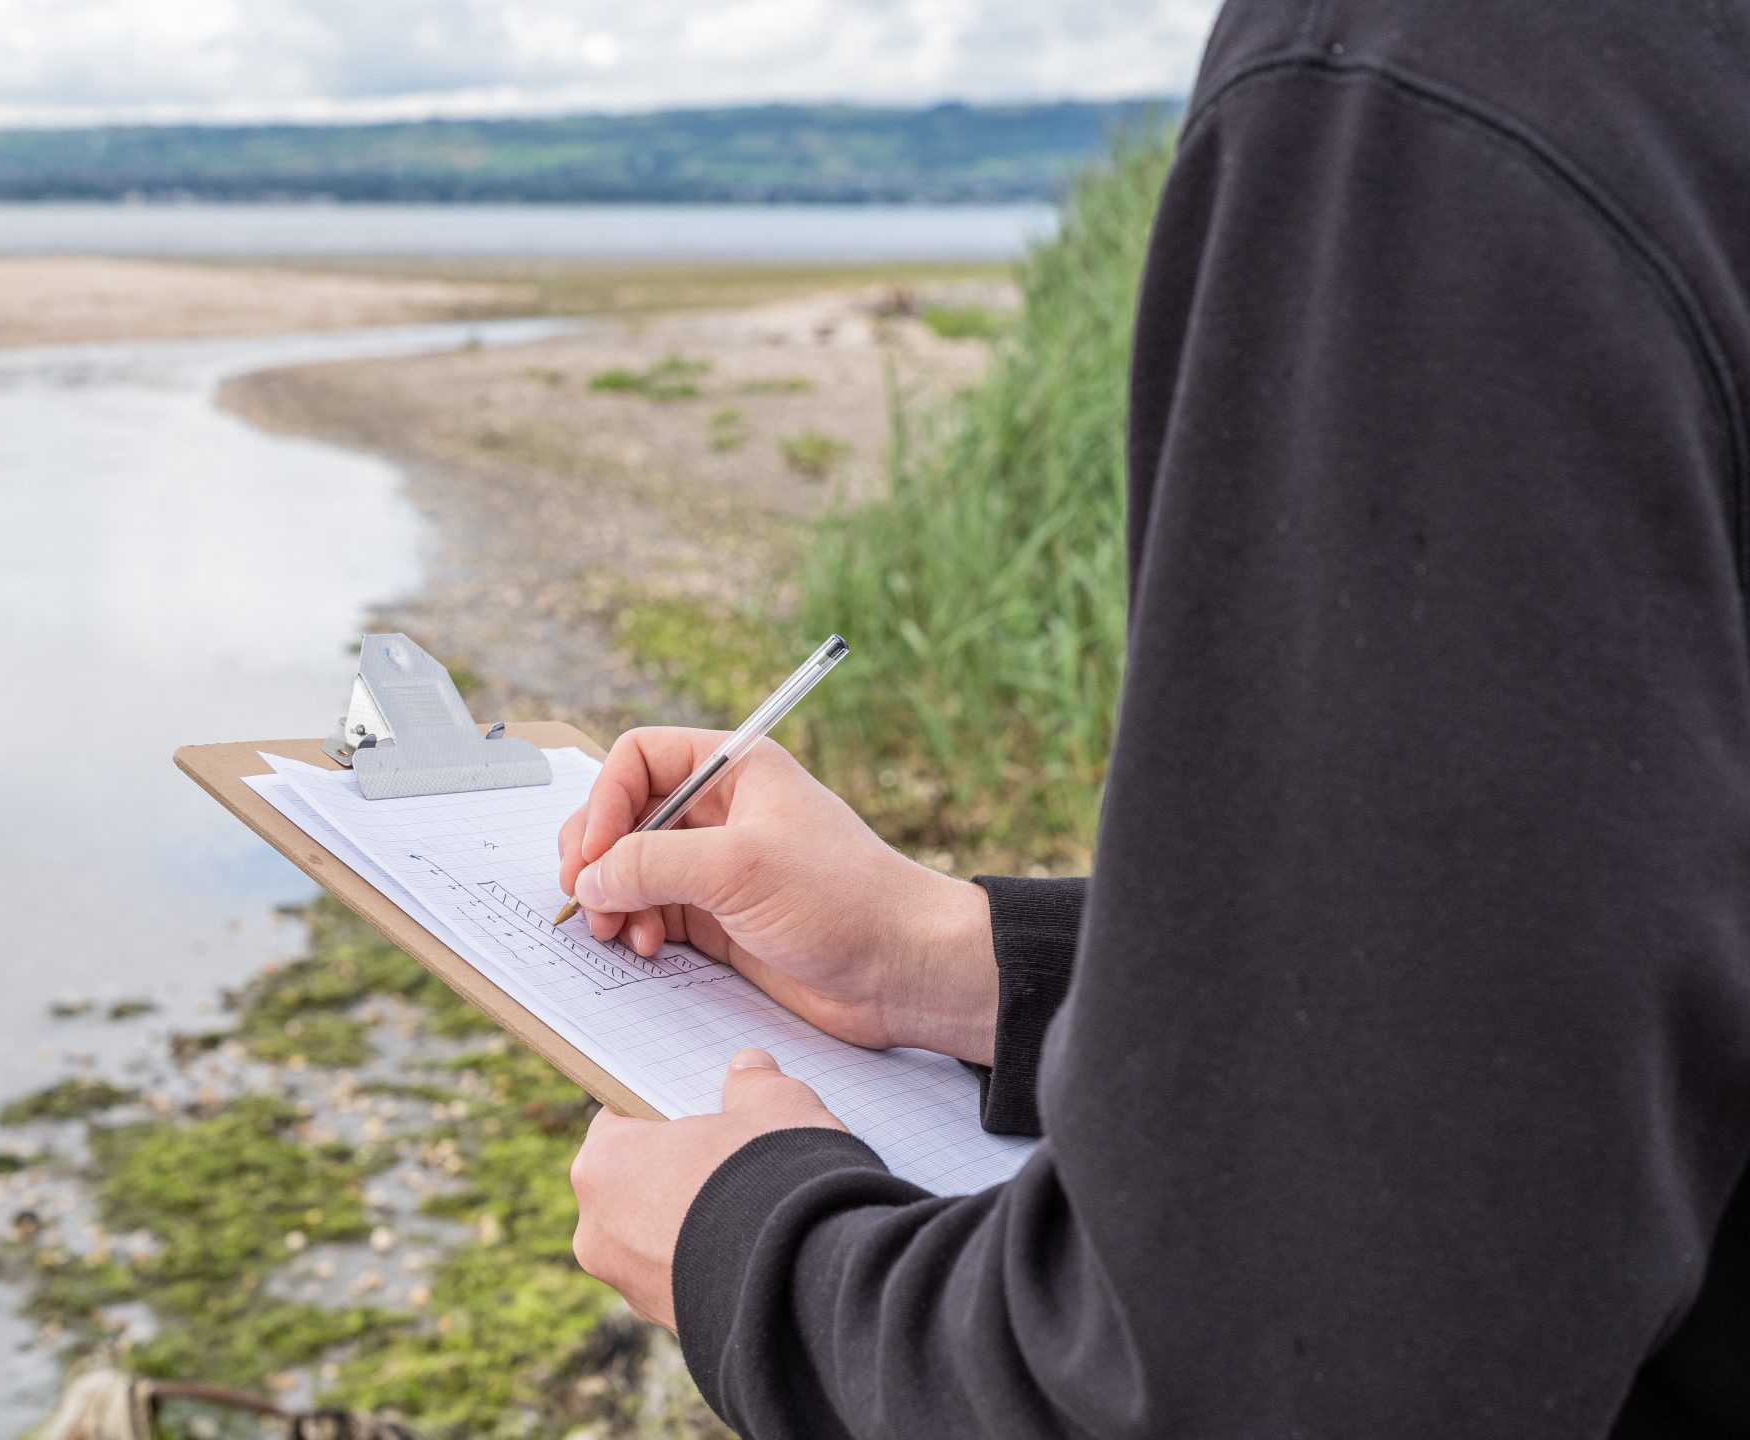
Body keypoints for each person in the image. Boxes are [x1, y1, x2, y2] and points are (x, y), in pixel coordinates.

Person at [554, 1, 1750, 1434]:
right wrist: (968, 965)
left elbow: (1268, 1372)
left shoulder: (1422, 88)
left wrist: (756, 1252)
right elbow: (1589, 956)